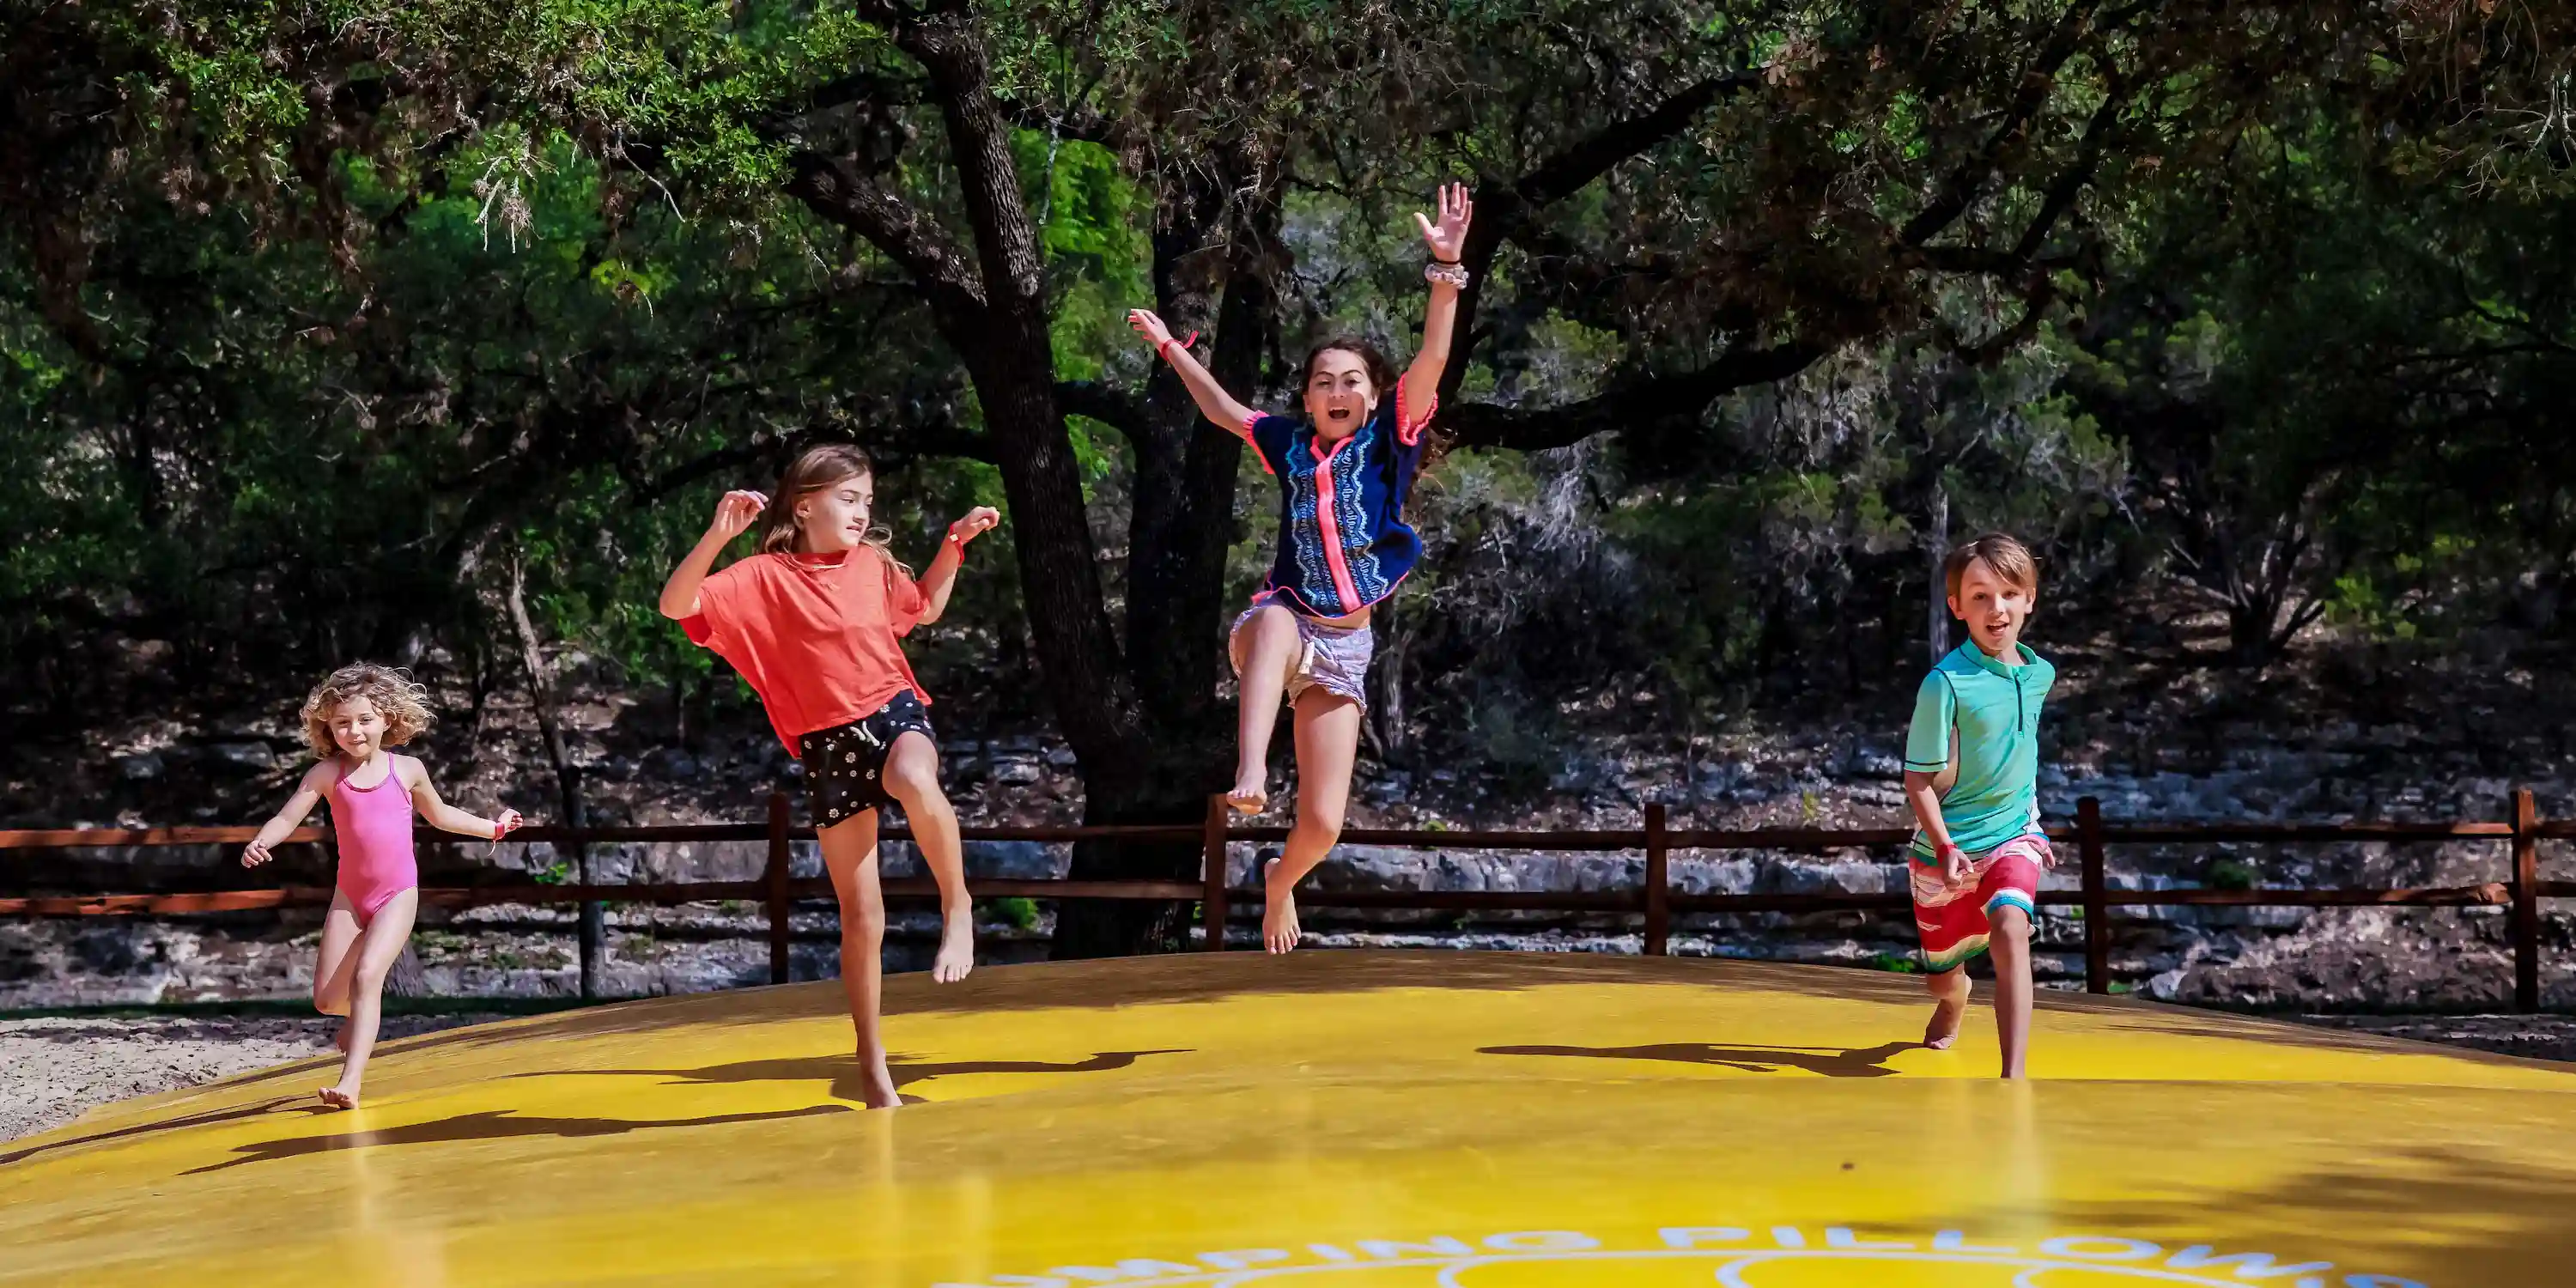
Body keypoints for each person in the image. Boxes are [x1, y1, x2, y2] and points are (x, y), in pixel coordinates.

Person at [1126, 184, 1473, 954]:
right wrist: (1172, 349)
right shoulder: (1287, 444)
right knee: (1278, 616)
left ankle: (1281, 879)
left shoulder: (1390, 440)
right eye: (1324, 382)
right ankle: (1249, 769)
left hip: (1344, 650)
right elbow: (1223, 411)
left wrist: (1445, 271)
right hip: (1282, 626)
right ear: (1308, 400)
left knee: (1322, 824)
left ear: (1375, 396)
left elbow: (1435, 356)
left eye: (1353, 381)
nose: (1338, 391)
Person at [658, 443, 999, 1108]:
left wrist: (954, 543)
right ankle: (872, 1066)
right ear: (805, 503)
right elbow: (677, 606)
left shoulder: (871, 564)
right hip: (828, 746)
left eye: (868, 502)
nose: (862, 513)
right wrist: (718, 536)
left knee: (914, 777)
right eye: (850, 499)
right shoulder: (763, 575)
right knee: (861, 916)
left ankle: (957, 905)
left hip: (893, 711)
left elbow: (923, 607)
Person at [243, 663, 523, 1109]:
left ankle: (349, 1083)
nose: (354, 731)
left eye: (364, 720)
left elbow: (443, 815)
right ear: (327, 728)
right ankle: (358, 1021)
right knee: (328, 999)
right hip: (349, 898)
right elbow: (286, 817)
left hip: (398, 894)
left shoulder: (407, 770)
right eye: (342, 724)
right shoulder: (326, 775)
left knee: (369, 975)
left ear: (388, 719)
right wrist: (262, 840)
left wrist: (492, 829)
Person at [1902, 532, 2058, 1078]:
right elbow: (1917, 782)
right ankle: (1954, 996)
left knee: (2012, 927)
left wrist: (2034, 823)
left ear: (2030, 598)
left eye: (2010, 594)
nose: (1998, 609)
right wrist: (1944, 847)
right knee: (1942, 974)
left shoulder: (2041, 675)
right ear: (1957, 607)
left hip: (2013, 836)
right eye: (1980, 597)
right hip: (1945, 849)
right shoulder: (1943, 684)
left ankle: (2012, 1076)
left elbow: (2023, 753)